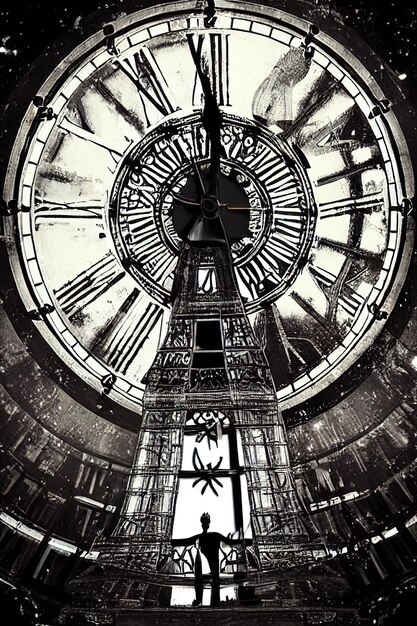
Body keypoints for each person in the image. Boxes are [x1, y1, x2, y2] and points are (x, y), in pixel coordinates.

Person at [172, 512, 244, 607]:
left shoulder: (202, 537)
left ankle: (200, 600)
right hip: (213, 566)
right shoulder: (214, 536)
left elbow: (186, 541)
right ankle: (212, 602)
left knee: (203, 573)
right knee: (213, 576)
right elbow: (229, 542)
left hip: (207, 567)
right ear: (208, 524)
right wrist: (240, 541)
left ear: (203, 524)